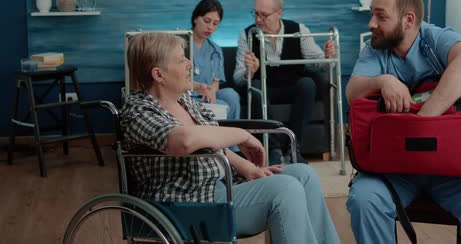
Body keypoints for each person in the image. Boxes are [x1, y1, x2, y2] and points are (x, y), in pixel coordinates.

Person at [121, 32, 340, 244]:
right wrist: (241, 135)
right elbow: (184, 141)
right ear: (158, 75)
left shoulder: (184, 101)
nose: (189, 64)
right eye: (181, 60)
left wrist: (248, 168)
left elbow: (210, 143)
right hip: (184, 204)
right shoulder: (139, 111)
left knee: (304, 174)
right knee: (285, 189)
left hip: (217, 188)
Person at [345, 0, 461, 244]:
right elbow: (353, 92)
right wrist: (383, 81)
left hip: (452, 167)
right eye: (372, 14)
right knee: (364, 200)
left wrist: (422, 123)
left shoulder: (436, 39)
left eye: (381, 16)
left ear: (408, 20)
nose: (371, 23)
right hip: (394, 168)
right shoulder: (374, 51)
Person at [233, 0, 336, 166]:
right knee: (257, 87)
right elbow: (237, 78)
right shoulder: (248, 35)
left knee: (307, 84)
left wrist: (328, 56)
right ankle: (274, 149)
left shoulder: (298, 30)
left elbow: (323, 64)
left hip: (291, 86)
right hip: (265, 89)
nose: (258, 19)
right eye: (255, 13)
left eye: (264, 15)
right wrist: (250, 72)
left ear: (279, 13)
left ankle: (293, 147)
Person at [191, 0, 240, 120]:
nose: (210, 27)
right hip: (187, 96)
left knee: (231, 95)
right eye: (207, 21)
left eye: (215, 23)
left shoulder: (216, 50)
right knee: (223, 106)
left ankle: (234, 136)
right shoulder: (180, 43)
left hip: (206, 96)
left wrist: (212, 91)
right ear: (196, 18)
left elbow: (215, 82)